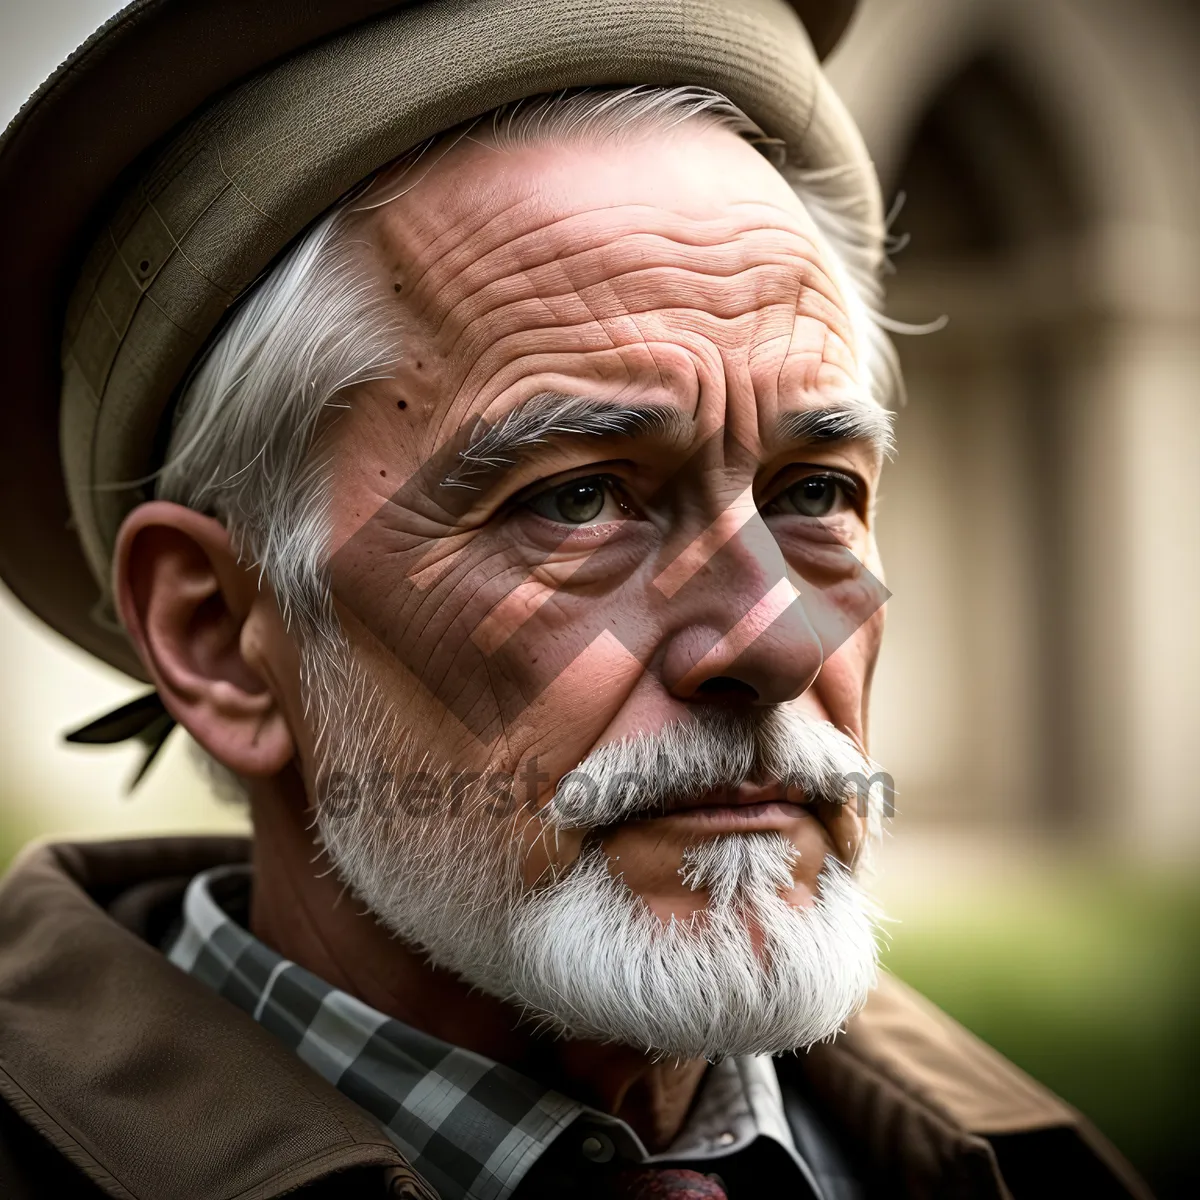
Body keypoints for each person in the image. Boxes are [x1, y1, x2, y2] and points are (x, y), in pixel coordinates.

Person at [0, 2, 1151, 1197]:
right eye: (581, 500)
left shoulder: (1024, 1169)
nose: (777, 639)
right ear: (219, 637)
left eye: (813, 491)